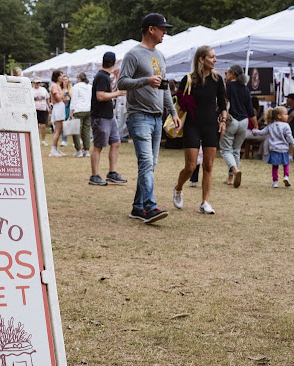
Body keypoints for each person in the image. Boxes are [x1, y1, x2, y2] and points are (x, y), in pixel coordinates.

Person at [118, 13, 179, 223]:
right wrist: (145, 80)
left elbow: (164, 88)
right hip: (138, 116)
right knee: (146, 162)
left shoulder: (160, 56)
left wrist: (172, 112)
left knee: (150, 165)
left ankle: (137, 207)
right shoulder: (133, 54)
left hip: (156, 117)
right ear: (151, 29)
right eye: (162, 28)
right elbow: (121, 83)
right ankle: (151, 207)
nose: (165, 32)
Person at [172, 45, 227, 215]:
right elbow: (178, 99)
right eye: (211, 57)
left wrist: (223, 120)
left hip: (211, 125)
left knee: (209, 165)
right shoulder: (189, 79)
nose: (215, 60)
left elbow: (223, 103)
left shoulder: (218, 80)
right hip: (192, 125)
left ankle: (204, 202)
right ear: (201, 59)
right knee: (190, 166)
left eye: (215, 56)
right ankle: (178, 188)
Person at [89, 51, 127, 186]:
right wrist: (117, 93)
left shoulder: (105, 76)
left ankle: (112, 173)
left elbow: (105, 94)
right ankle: (94, 176)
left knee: (116, 143)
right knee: (98, 146)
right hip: (101, 116)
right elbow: (100, 96)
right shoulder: (102, 77)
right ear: (114, 62)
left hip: (108, 116)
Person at [220, 64, 257, 188]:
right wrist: (256, 126)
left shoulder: (226, 87)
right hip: (244, 122)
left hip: (231, 120)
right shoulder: (245, 88)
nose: (225, 75)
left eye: (227, 73)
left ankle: (235, 171)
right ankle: (231, 178)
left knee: (226, 150)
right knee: (236, 150)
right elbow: (251, 110)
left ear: (233, 74)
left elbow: (221, 105)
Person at [252, 106, 294, 187]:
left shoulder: (270, 126)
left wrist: (255, 131)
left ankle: (275, 182)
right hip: (284, 149)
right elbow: (289, 137)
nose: (287, 116)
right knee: (286, 164)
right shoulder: (286, 126)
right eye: (286, 114)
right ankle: (286, 177)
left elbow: (262, 132)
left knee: (275, 166)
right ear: (279, 116)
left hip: (274, 149)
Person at [70, 72, 92, 157]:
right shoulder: (90, 86)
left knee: (76, 130)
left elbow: (74, 99)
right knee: (86, 131)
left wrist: (71, 111)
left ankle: (78, 150)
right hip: (88, 109)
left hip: (78, 110)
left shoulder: (76, 87)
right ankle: (86, 150)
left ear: (79, 78)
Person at [49, 70, 67, 157]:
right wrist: (64, 89)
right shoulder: (54, 86)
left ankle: (55, 148)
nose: (62, 77)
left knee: (59, 130)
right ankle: (53, 149)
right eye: (60, 76)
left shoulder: (57, 86)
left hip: (60, 107)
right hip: (58, 108)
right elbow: (58, 97)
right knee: (58, 130)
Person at [31, 77, 50, 146]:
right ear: (34, 83)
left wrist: (49, 107)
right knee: (35, 126)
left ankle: (43, 140)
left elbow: (47, 99)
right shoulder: (31, 90)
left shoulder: (43, 90)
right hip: (34, 109)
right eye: (36, 82)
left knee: (43, 125)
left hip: (42, 109)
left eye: (38, 82)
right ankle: (35, 140)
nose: (37, 84)